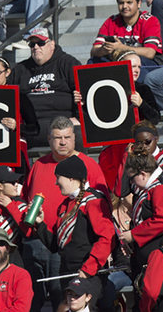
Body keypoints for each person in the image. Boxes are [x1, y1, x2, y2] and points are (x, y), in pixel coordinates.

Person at [21, 116, 107, 312]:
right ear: (49, 139)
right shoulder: (38, 165)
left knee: (64, 302)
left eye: (67, 137)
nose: (62, 142)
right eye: (58, 137)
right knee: (33, 299)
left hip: (73, 249)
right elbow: (27, 197)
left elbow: (104, 214)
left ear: (74, 139)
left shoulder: (88, 165)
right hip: (41, 240)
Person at [33, 156, 114, 307]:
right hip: (67, 273)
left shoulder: (93, 200)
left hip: (88, 273)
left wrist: (87, 269)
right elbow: (56, 246)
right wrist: (40, 224)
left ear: (71, 178)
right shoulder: (65, 205)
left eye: (58, 178)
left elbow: (107, 238)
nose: (56, 183)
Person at [90, 0, 162, 67]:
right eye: (121, 3)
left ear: (139, 3)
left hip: (146, 62)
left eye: (129, 2)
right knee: (92, 61)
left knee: (131, 62)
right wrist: (103, 50)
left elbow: (150, 53)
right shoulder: (111, 21)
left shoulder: (150, 21)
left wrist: (122, 47)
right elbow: (93, 51)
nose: (124, 6)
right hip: (118, 61)